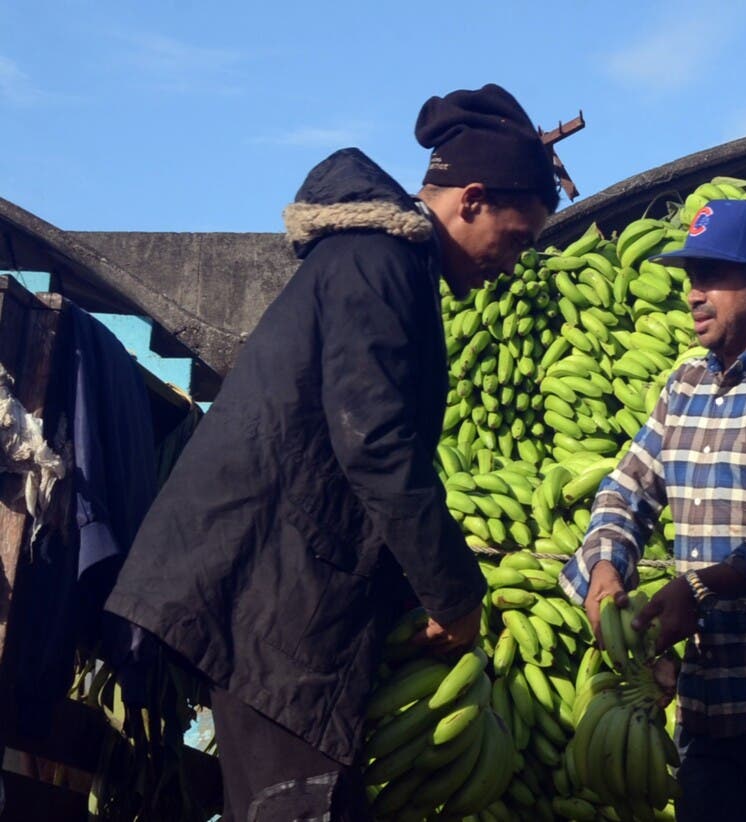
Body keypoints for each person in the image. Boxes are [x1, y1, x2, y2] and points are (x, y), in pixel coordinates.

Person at [104, 84, 557, 821]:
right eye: (516, 238)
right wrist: (452, 592)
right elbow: (373, 440)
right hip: (270, 594)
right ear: (472, 200)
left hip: (284, 593)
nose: (511, 262)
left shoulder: (389, 266)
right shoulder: (376, 263)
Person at [560, 199, 746, 822]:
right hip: (706, 706)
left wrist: (700, 587)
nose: (694, 295)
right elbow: (624, 492)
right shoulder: (683, 389)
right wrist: (603, 569)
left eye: (712, 277)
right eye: (690, 279)